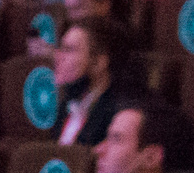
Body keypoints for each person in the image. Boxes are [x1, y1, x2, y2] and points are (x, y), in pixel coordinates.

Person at [53, 20, 136, 148]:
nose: (58, 57)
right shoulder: (68, 101)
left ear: (99, 62)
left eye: (69, 50)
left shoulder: (119, 115)